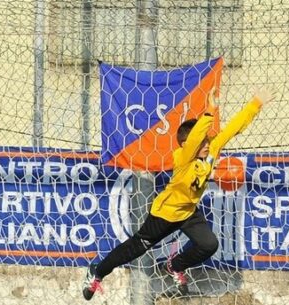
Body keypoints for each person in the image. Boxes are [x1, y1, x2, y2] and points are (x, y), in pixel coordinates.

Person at [82, 88, 274, 300]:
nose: (207, 145)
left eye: (207, 142)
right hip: (166, 213)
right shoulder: (183, 158)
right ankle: (97, 272)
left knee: (209, 245)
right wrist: (210, 110)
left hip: (188, 212)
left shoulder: (211, 150)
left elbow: (232, 129)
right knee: (135, 248)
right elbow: (195, 140)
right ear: (187, 144)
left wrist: (255, 103)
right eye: (202, 142)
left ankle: (174, 266)